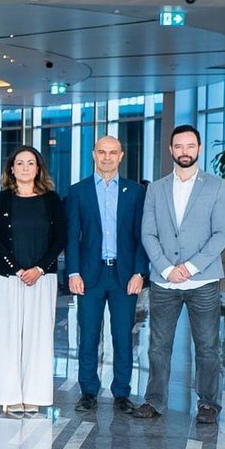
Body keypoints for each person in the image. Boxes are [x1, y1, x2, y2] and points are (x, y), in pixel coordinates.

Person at [135, 125, 225, 423]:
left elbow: (221, 233)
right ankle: (154, 400)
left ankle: (208, 404)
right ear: (171, 150)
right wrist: (166, 268)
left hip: (202, 280)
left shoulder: (216, 186)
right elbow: (148, 233)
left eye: (190, 146)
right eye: (179, 146)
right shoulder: (156, 188)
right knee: (158, 347)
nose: (184, 151)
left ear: (199, 149)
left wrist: (189, 268)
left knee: (207, 346)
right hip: (164, 281)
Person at [65, 136, 149, 413]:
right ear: (93, 154)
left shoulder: (135, 192)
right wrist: (73, 272)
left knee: (123, 335)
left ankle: (122, 393)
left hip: (124, 276)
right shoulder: (78, 191)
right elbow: (72, 236)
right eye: (102, 152)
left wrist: (139, 272)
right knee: (88, 334)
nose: (107, 157)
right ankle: (88, 391)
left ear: (121, 156)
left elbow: (142, 236)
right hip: (90, 275)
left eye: (113, 152)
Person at [0, 146, 66, 414]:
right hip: (9, 277)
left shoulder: (52, 199)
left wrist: (39, 269)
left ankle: (34, 394)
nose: (24, 168)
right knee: (6, 336)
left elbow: (60, 238)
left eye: (30, 163)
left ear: (38, 168)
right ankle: (8, 394)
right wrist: (18, 269)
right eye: (19, 163)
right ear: (11, 168)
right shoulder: (1, 199)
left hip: (42, 278)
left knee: (39, 337)